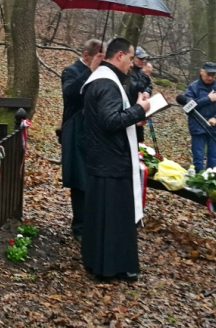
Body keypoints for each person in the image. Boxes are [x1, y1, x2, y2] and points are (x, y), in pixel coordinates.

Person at [81, 38, 150, 282]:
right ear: (119, 55)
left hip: (102, 158)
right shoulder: (107, 83)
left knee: (101, 216)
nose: (132, 64)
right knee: (114, 218)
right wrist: (139, 110)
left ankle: (97, 262)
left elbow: (107, 117)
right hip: (111, 160)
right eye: (131, 58)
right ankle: (112, 266)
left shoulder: (100, 78)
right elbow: (110, 121)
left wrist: (134, 116)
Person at [60, 39, 103, 243]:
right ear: (86, 55)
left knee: (94, 178)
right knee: (79, 179)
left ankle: (93, 223)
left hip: (95, 132)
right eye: (97, 57)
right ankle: (79, 226)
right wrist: (90, 71)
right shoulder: (71, 71)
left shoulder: (102, 74)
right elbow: (70, 94)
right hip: (75, 130)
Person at [184, 62, 216, 172]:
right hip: (198, 126)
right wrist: (208, 99)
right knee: (198, 158)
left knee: (214, 158)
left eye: (213, 75)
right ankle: (197, 181)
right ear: (201, 72)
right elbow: (187, 107)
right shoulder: (193, 87)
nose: (210, 77)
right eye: (208, 74)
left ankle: (210, 181)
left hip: (215, 127)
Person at [128, 48, 153, 142]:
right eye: (140, 59)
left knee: (139, 139)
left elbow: (149, 85)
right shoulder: (129, 70)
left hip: (140, 109)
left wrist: (147, 92)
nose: (142, 61)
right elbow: (133, 88)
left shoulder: (141, 72)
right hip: (130, 107)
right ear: (133, 58)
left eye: (144, 59)